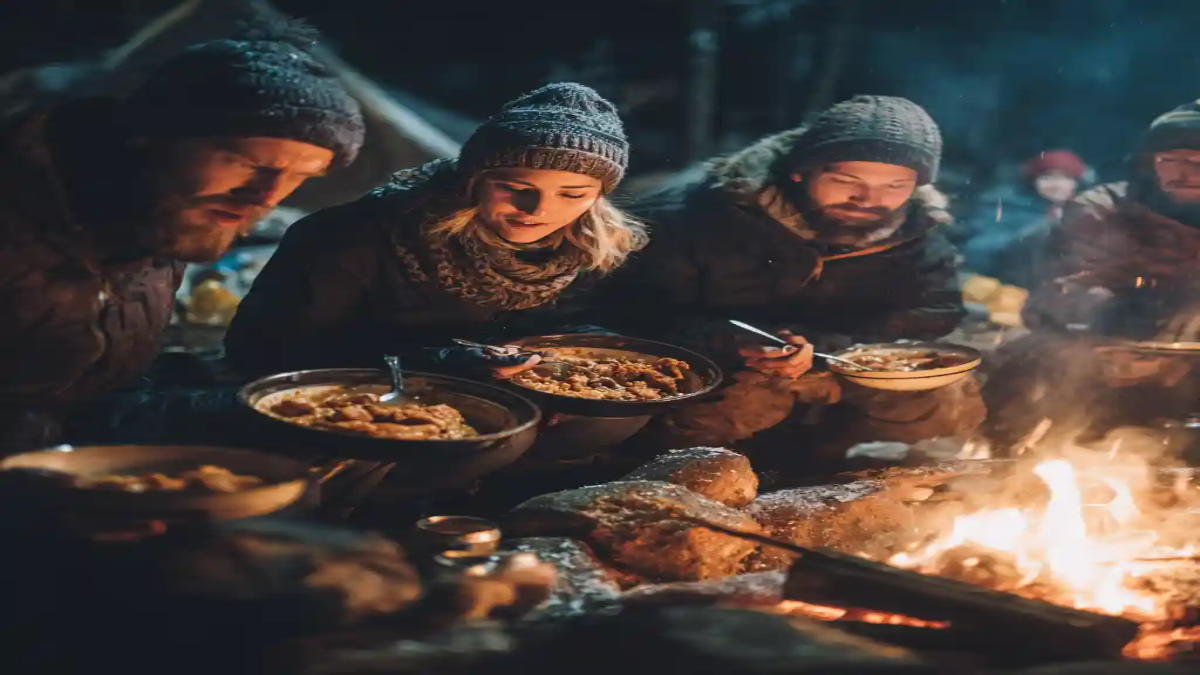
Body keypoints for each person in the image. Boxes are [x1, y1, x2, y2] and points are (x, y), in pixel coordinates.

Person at [0, 18, 365, 453]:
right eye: (247, 162)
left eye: (300, 176)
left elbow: (86, 402)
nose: (267, 195)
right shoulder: (20, 223)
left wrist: (236, 413)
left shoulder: (160, 227)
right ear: (152, 134)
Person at [596, 95, 984, 471]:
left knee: (945, 397)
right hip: (729, 368)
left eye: (895, 186)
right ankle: (661, 473)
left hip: (841, 370)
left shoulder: (918, 236)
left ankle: (838, 466)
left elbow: (933, 316)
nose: (868, 198)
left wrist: (831, 352)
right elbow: (635, 312)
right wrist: (740, 344)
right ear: (800, 170)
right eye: (845, 180)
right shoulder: (700, 216)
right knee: (737, 401)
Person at [224, 83, 645, 380]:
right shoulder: (356, 236)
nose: (540, 211)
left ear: (597, 198)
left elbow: (559, 327)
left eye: (572, 195)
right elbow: (263, 353)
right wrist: (431, 364)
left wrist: (587, 351)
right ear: (472, 180)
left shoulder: (580, 247)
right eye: (515, 189)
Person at [984, 100, 1200, 453]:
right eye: (1170, 159)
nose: (1185, 173)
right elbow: (1060, 287)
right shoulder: (1103, 209)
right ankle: (1022, 460)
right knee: (1035, 356)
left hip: (1191, 366)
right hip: (1103, 352)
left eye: (1198, 162)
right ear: (1149, 162)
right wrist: (1115, 316)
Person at [960, 149, 1089, 288]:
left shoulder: (1087, 209)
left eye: (1067, 178)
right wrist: (1042, 230)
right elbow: (980, 251)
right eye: (1048, 178)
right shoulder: (1005, 206)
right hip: (1009, 285)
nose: (1058, 185)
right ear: (1032, 180)